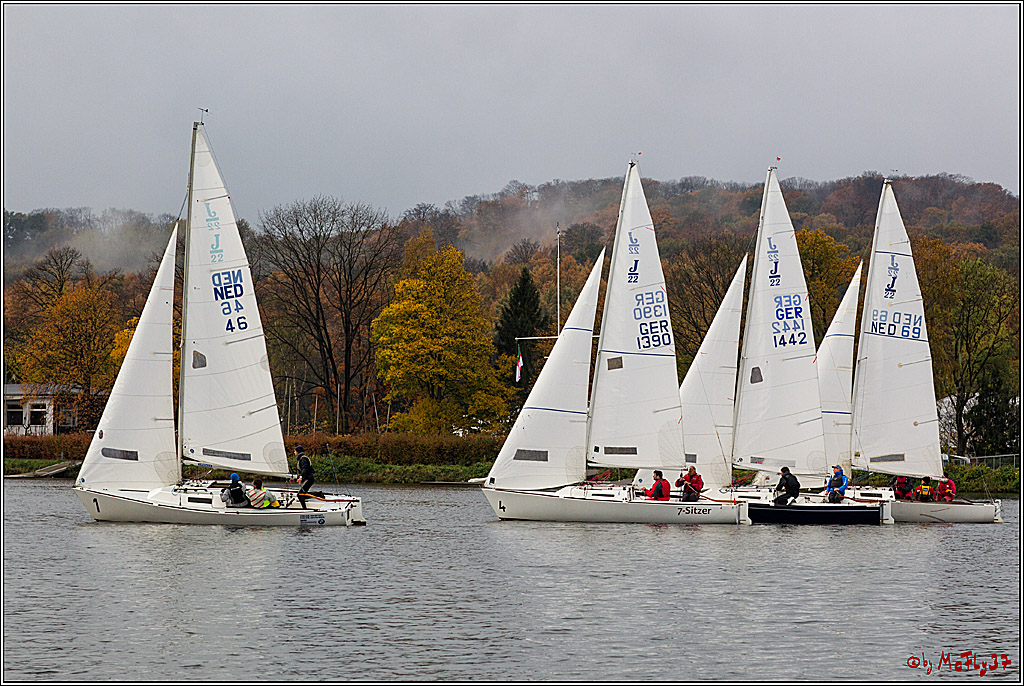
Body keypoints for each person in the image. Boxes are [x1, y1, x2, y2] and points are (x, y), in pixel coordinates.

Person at [294, 445, 314, 510]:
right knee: (302, 494)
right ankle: (319, 494)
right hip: (308, 478)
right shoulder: (301, 459)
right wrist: (295, 478)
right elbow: (302, 471)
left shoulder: (303, 459)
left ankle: (304, 510)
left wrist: (300, 477)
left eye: (295, 451)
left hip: (309, 479)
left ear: (298, 452)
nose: (294, 452)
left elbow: (305, 469)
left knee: (300, 495)